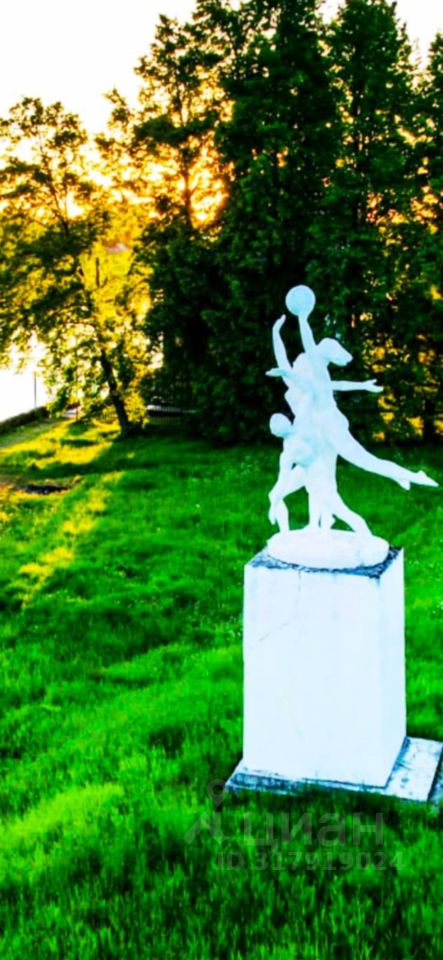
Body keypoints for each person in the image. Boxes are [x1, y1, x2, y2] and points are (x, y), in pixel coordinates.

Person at [267, 309, 437, 492]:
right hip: (320, 429)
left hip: (331, 423)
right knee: (322, 470)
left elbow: (309, 347)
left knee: (363, 460)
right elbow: (284, 362)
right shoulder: (297, 384)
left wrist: (302, 319)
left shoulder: (316, 377)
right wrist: (276, 333)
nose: (298, 364)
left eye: (301, 363)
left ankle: (413, 475)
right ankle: (310, 512)